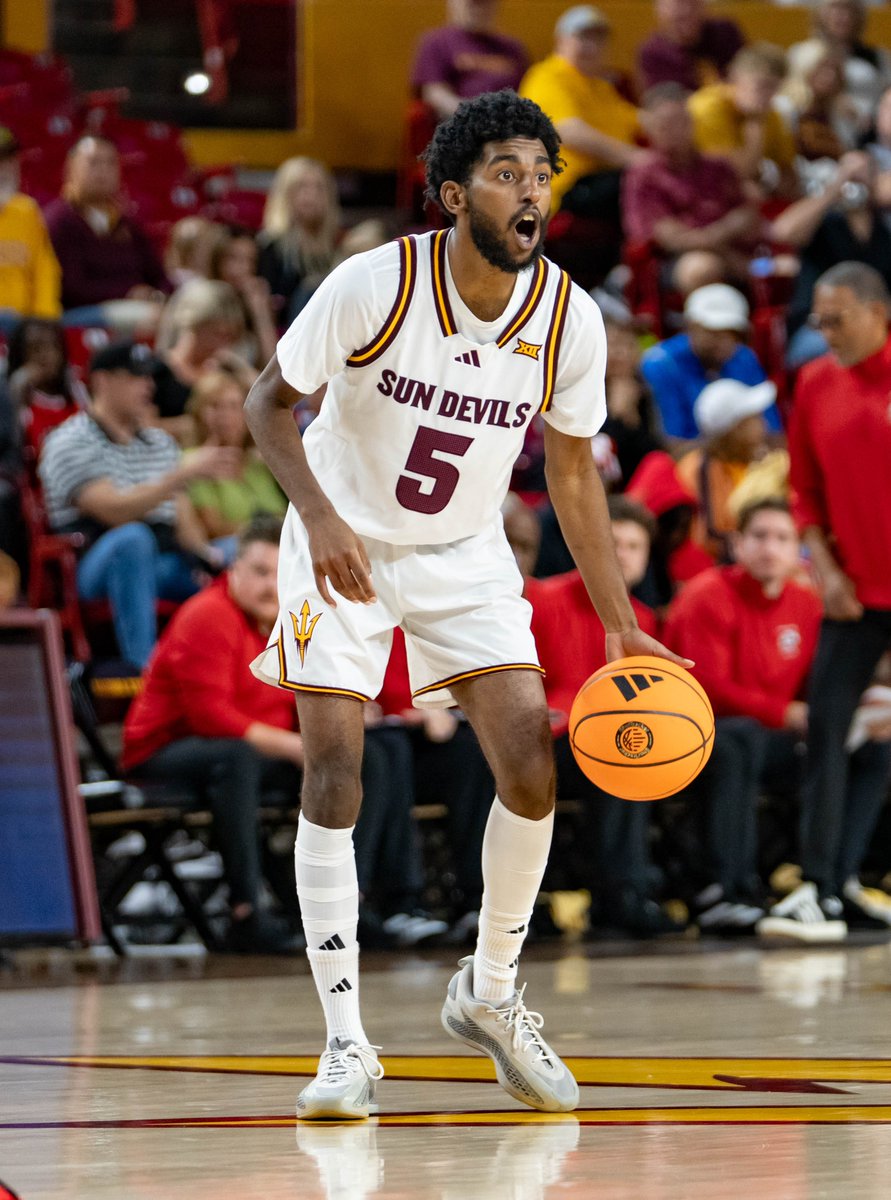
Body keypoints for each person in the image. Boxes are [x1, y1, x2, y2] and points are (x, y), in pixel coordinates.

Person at [243, 89, 690, 1120]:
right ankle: (346, 1044)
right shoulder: (375, 284)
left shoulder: (569, 318)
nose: (530, 192)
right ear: (453, 195)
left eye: (541, 175)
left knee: (531, 767)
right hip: (341, 538)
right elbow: (269, 402)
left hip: (463, 550)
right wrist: (320, 518)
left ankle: (488, 993)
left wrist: (619, 619)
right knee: (337, 771)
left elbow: (571, 475)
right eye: (504, 174)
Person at [757, 262, 891, 941]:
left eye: (836, 320)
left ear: (877, 313)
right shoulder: (813, 382)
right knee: (827, 732)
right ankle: (822, 886)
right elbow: (804, 490)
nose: (824, 332)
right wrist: (825, 567)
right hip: (852, 595)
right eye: (818, 320)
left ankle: (845, 876)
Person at [121, 516, 303, 953]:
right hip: (162, 751)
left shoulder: (289, 622)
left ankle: (361, 906)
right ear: (233, 570)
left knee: (369, 756)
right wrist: (297, 746)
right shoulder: (208, 614)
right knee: (237, 759)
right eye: (259, 572)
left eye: (280, 574)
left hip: (248, 752)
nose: (270, 586)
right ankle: (245, 911)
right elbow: (212, 719)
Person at [663, 499, 822, 931]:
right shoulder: (706, 595)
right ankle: (725, 889)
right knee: (739, 739)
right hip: (694, 734)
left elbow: (815, 682)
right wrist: (784, 712)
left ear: (797, 550)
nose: (770, 548)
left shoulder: (807, 604)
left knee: (862, 750)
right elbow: (706, 686)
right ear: (737, 544)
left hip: (770, 737)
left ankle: (830, 885)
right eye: (760, 536)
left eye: (782, 538)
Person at [530, 495, 685, 935]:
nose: (623, 555)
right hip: (543, 742)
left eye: (635, 546)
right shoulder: (542, 599)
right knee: (623, 757)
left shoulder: (644, 620)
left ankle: (631, 892)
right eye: (613, 543)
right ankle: (620, 894)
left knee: (636, 752)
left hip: (603, 742)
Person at [38, 341, 240, 669]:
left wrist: (208, 556)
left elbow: (180, 514)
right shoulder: (70, 439)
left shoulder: (159, 442)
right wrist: (179, 475)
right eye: (135, 377)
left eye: (148, 377)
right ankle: (144, 669)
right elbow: (112, 511)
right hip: (94, 563)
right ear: (102, 381)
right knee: (133, 538)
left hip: (164, 560)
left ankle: (248, 672)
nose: (147, 386)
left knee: (243, 551)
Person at [622, 82, 763, 295]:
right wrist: (726, 250)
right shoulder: (644, 175)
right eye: (665, 124)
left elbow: (747, 214)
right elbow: (670, 237)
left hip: (735, 251)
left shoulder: (719, 167)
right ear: (649, 128)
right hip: (674, 261)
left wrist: (729, 240)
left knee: (785, 266)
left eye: (680, 121)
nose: (674, 130)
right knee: (702, 268)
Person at [519, 6, 641, 229]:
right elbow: (570, 131)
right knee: (645, 183)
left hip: (602, 180)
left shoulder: (600, 87)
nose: (592, 47)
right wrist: (637, 159)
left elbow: (638, 121)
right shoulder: (546, 76)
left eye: (598, 39)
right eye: (583, 37)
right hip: (566, 187)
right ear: (560, 41)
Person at [44, 135, 170, 324]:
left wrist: (159, 294)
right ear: (70, 169)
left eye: (111, 163)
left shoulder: (127, 224)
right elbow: (71, 289)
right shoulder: (59, 221)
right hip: (78, 315)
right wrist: (127, 293)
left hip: (136, 309)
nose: (103, 170)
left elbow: (157, 275)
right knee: (150, 318)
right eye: (94, 162)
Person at [640, 284, 781, 442]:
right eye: (713, 332)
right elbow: (670, 442)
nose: (724, 342)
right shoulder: (660, 364)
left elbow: (773, 429)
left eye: (732, 333)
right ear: (691, 327)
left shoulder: (744, 357)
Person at [675, 377, 779, 562]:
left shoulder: (760, 463)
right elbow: (708, 538)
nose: (764, 425)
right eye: (754, 419)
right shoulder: (699, 468)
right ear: (734, 429)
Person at [184, 370, 286, 557]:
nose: (226, 416)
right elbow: (214, 528)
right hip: (231, 549)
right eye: (215, 406)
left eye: (234, 406)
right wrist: (270, 531)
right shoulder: (193, 462)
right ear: (198, 413)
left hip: (278, 543)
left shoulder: (258, 461)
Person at [151, 278, 257, 439]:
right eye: (217, 333)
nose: (223, 344)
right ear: (195, 324)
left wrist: (240, 367)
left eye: (229, 337)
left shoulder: (226, 371)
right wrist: (193, 425)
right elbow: (142, 427)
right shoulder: (157, 371)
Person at [688, 44, 798, 198]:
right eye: (762, 85)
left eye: (774, 88)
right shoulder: (706, 108)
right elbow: (736, 172)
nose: (767, 95)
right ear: (735, 77)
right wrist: (755, 122)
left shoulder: (772, 114)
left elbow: (789, 173)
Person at [411, 0, 528, 122]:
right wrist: (475, 114)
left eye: (485, 3)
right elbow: (435, 94)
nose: (479, 9)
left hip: (512, 122)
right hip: (461, 122)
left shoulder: (513, 48)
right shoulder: (436, 42)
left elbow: (527, 91)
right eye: (472, 3)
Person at [257, 157, 341, 325]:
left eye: (319, 187)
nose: (311, 195)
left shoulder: (338, 245)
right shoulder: (269, 246)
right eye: (302, 186)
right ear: (285, 192)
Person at [788, 0, 891, 132]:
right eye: (836, 8)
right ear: (820, 13)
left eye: (849, 10)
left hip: (871, 133)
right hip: (816, 130)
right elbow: (793, 96)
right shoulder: (803, 53)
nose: (843, 16)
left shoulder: (878, 57)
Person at [0, 125, 61, 329]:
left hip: (22, 327)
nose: (3, 168)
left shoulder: (27, 211)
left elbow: (46, 272)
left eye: (8, 160)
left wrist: (44, 322)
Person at [6, 318, 88, 456]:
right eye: (36, 348)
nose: (46, 355)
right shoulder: (15, 396)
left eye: (53, 347)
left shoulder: (78, 393)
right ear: (20, 354)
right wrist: (18, 386)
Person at [637, 0, 745, 95]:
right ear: (661, 10)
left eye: (692, 2)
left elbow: (747, 71)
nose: (687, 10)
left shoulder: (724, 32)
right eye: (678, 4)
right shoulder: (654, 54)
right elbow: (665, 102)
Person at [208, 225, 278, 364]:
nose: (245, 268)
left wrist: (261, 312)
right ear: (216, 261)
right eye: (233, 258)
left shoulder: (251, 304)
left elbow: (272, 366)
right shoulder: (201, 299)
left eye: (250, 260)